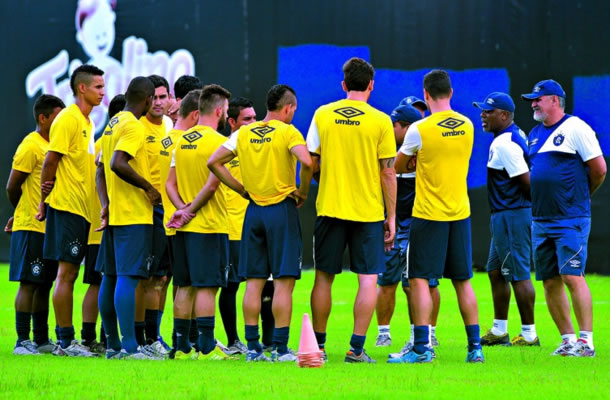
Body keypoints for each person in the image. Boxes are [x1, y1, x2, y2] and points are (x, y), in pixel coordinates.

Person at [208, 84, 313, 362]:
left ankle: (253, 348)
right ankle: (279, 348)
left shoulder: (244, 132)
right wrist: (302, 192)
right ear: (288, 108)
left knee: (253, 283)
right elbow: (308, 162)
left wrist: (241, 189)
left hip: (253, 210)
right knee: (283, 283)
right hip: (281, 210)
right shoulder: (288, 131)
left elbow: (214, 162)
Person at [307, 57, 397, 363]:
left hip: (329, 208)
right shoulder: (382, 120)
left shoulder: (323, 114)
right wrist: (392, 216)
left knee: (323, 278)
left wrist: (311, 186)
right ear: (371, 85)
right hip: (368, 213)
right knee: (368, 279)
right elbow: (388, 172)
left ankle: (318, 347)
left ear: (344, 85)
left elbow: (311, 161)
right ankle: (356, 350)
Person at [392, 69, 484, 363]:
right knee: (462, 281)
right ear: (452, 93)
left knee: (418, 279)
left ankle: (421, 349)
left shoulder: (420, 128)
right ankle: (475, 349)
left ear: (426, 95)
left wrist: (414, 161)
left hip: (428, 214)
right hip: (460, 212)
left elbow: (397, 165)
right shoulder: (467, 125)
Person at [522, 79, 606, 357]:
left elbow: (599, 169)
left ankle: (586, 342)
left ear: (555, 100)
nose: (533, 104)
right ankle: (568, 340)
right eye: (532, 100)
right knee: (549, 280)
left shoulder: (576, 128)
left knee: (572, 276)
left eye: (538, 99)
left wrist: (581, 197)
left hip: (570, 218)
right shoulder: (534, 133)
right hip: (541, 219)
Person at [36, 64, 104, 357]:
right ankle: (65, 341)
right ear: (82, 88)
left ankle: (68, 340)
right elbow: (50, 161)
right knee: (66, 275)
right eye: (98, 87)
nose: (103, 92)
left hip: (80, 210)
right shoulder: (68, 118)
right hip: (66, 207)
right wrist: (44, 201)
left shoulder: (86, 122)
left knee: (71, 274)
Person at [165, 84, 236, 360]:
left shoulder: (180, 140)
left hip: (184, 228)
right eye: (226, 110)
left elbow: (170, 184)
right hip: (208, 225)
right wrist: (191, 210)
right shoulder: (218, 142)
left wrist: (181, 209)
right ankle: (206, 348)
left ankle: (181, 347)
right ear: (219, 111)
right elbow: (211, 186)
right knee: (207, 286)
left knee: (184, 285)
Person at [96, 76, 162, 359]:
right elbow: (116, 163)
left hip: (116, 213)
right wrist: (148, 187)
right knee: (126, 278)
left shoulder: (112, 123)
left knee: (110, 278)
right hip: (133, 214)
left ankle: (112, 345)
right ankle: (130, 347)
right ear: (148, 100)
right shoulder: (134, 125)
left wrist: (105, 203)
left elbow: (100, 169)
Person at [472, 92, 538, 347]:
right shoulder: (509, 135)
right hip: (505, 215)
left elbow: (527, 183)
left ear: (504, 115)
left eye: (488, 111)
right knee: (495, 270)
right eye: (483, 110)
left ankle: (529, 335)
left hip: (512, 215)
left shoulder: (504, 143)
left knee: (518, 274)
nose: (483, 115)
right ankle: (500, 330)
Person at [374, 104, 441, 354]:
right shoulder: (386, 152)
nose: (391, 129)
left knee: (422, 283)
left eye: (395, 126)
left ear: (407, 127)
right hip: (392, 228)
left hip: (419, 227)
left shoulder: (426, 154)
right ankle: (383, 334)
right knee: (387, 281)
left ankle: (424, 335)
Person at [6, 95, 65, 355]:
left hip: (50, 227)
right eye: (57, 117)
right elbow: (12, 186)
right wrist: (21, 210)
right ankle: (22, 340)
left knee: (45, 283)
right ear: (43, 118)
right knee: (29, 283)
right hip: (31, 225)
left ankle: (41, 339)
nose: (61, 121)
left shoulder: (55, 144)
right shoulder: (31, 145)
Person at [158, 89, 200, 350]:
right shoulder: (186, 141)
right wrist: (186, 209)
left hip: (167, 219)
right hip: (187, 221)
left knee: (176, 282)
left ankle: (179, 339)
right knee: (190, 284)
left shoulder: (166, 139)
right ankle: (189, 340)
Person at [218, 96, 257, 355]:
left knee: (263, 283)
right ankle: (233, 342)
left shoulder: (257, 145)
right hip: (231, 226)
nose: (253, 123)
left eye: (255, 118)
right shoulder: (223, 149)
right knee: (230, 286)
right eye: (247, 119)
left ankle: (265, 341)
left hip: (255, 226)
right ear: (231, 121)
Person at [138, 75, 173, 353]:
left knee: (162, 278)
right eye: (155, 97)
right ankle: (145, 339)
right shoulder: (137, 127)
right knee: (147, 278)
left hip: (167, 213)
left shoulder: (171, 127)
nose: (159, 103)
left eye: (164, 97)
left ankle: (155, 335)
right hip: (145, 212)